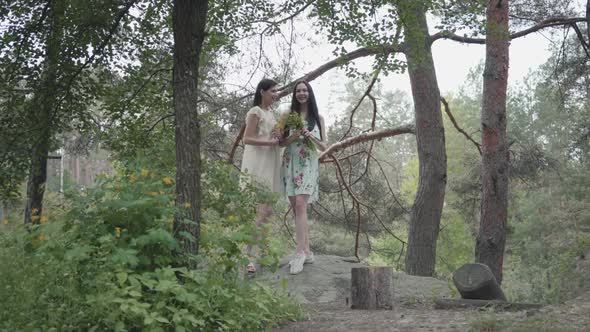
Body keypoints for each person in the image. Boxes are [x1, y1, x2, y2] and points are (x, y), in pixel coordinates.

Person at [280, 80, 327, 275]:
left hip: (308, 164)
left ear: (310, 93)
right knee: (296, 207)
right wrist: (294, 135)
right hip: (290, 162)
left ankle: (298, 253)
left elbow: (324, 146)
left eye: (304, 90)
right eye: (298, 91)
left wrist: (310, 136)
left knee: (300, 204)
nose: (301, 93)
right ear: (295, 94)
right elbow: (281, 143)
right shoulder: (287, 117)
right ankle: (307, 252)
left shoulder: (319, 118)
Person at [241, 78, 282, 274]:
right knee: (258, 212)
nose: (277, 94)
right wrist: (270, 142)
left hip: (271, 164)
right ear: (262, 91)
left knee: (268, 211)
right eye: (273, 91)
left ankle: (263, 252)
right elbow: (247, 138)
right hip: (257, 165)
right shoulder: (255, 112)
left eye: (277, 91)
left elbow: (273, 138)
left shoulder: (271, 114)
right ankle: (246, 255)